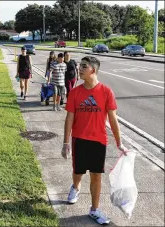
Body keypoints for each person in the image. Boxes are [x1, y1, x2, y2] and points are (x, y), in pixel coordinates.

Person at [61, 56, 128, 225]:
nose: (80, 69)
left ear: (93, 70)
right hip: (79, 139)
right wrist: (66, 142)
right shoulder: (75, 92)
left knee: (96, 176)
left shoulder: (106, 92)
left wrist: (119, 143)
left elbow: (113, 119)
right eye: (80, 66)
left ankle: (94, 210)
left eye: (84, 66)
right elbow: (69, 118)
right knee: (78, 172)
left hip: (98, 140)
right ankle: (75, 187)